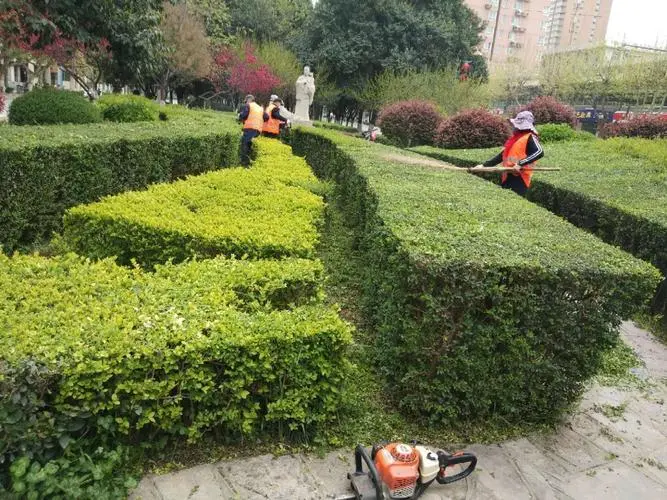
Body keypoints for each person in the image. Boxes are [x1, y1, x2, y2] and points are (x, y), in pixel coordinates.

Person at [473, 110, 544, 196]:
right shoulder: (516, 138)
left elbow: (539, 152)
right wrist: (484, 166)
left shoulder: (530, 136)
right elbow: (502, 155)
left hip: (520, 177)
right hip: (508, 174)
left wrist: (520, 163)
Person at [238, 94, 268, 166]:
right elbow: (266, 117)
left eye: (246, 101)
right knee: (251, 144)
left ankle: (245, 163)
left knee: (245, 144)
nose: (246, 103)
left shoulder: (249, 105)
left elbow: (244, 115)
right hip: (258, 130)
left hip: (250, 128)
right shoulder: (260, 108)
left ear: (249, 100)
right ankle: (251, 160)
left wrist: (239, 115)